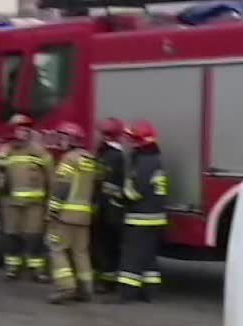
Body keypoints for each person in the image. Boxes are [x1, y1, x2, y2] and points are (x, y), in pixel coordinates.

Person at [0, 113, 52, 281]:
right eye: (21, 129)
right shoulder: (5, 153)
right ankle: (13, 268)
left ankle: (36, 269)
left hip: (35, 204)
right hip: (10, 204)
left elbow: (51, 178)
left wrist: (52, 202)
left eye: (27, 130)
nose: (25, 133)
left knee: (34, 236)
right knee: (11, 236)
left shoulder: (39, 152)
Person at [117, 119, 168, 302]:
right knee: (148, 257)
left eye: (132, 139)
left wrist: (120, 196)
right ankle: (151, 292)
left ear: (140, 141)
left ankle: (127, 294)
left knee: (132, 256)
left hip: (140, 217)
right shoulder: (155, 159)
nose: (129, 143)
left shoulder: (142, 161)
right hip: (155, 217)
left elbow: (134, 191)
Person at [46, 121, 97, 304]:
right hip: (84, 217)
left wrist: (53, 210)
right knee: (80, 252)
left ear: (72, 140)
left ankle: (65, 287)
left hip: (66, 216)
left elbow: (62, 187)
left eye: (63, 137)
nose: (60, 141)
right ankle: (86, 289)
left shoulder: (68, 159)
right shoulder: (89, 159)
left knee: (57, 249)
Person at [91, 117, 128, 292]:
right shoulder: (113, 154)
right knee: (108, 246)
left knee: (107, 247)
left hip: (108, 211)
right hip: (111, 209)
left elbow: (105, 184)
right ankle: (106, 279)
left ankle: (107, 282)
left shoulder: (111, 156)